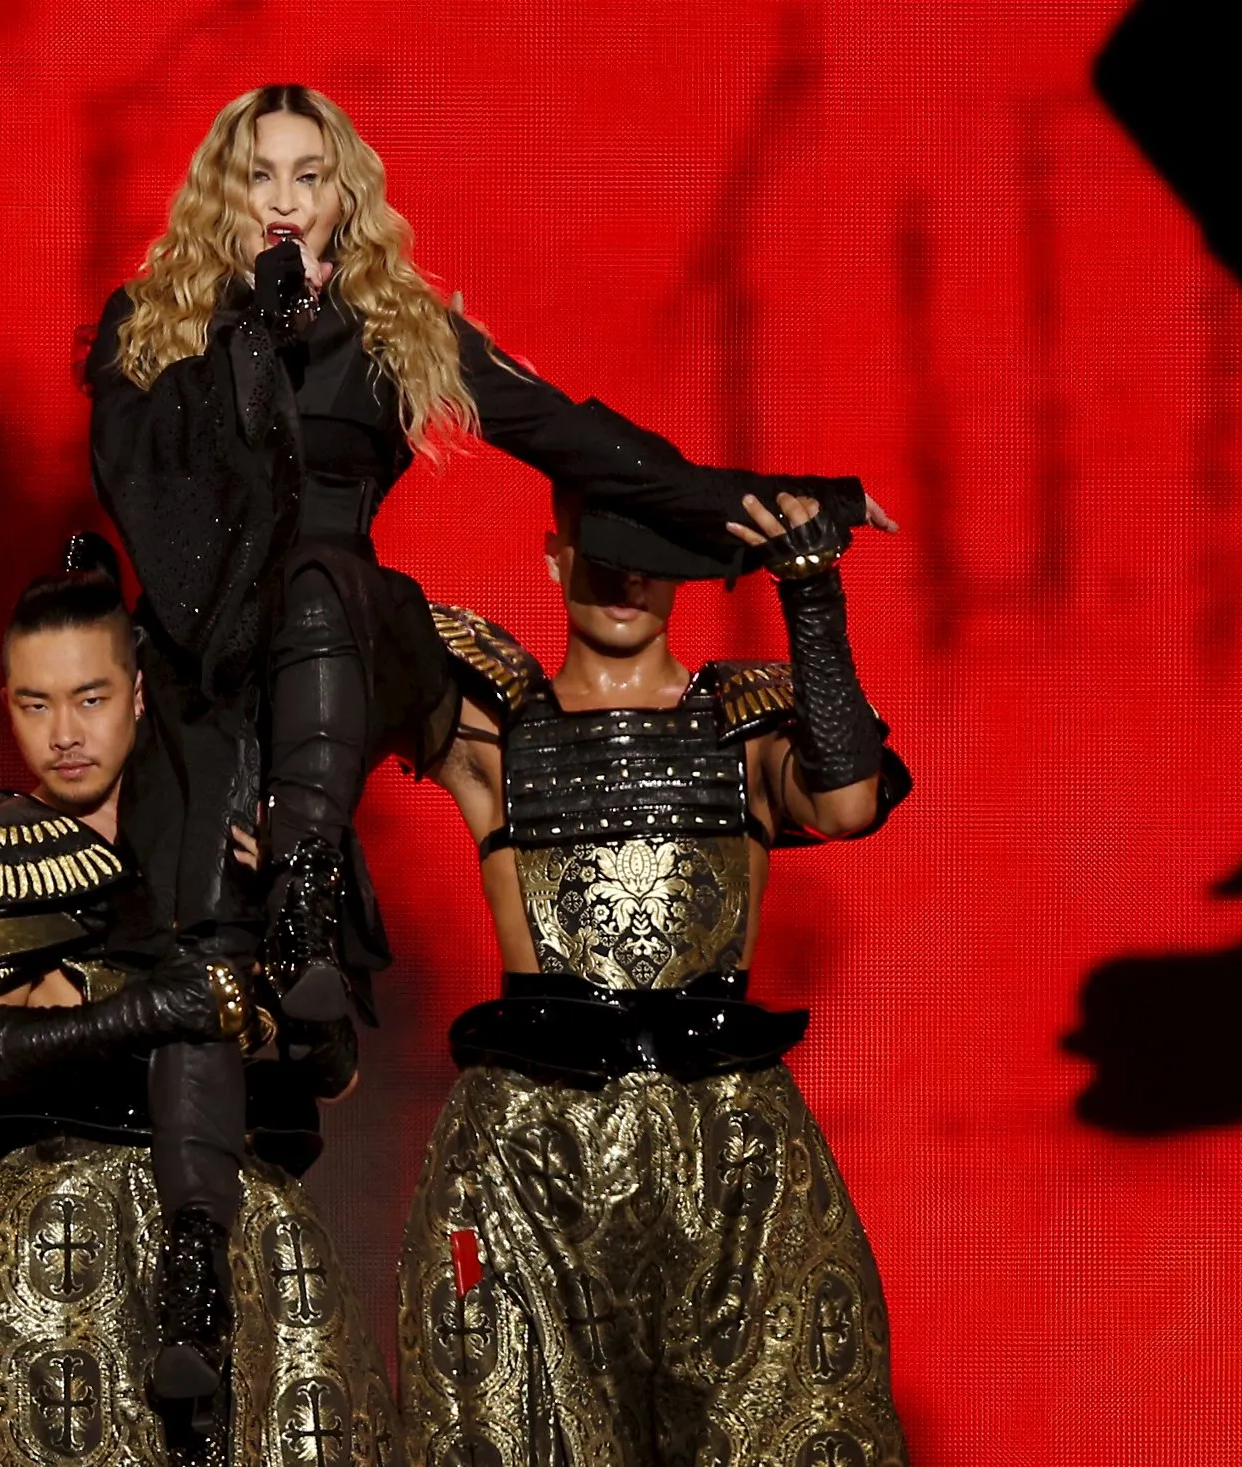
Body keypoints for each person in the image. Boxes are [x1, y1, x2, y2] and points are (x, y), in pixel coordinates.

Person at [84, 80, 894, 1396]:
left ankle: (308, 888)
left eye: (308, 175)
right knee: (199, 945)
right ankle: (194, 1260)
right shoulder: (149, 325)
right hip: (209, 661)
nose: (283, 201)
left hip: (351, 645)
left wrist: (771, 502)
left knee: (328, 580)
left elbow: (587, 443)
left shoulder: (396, 327)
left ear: (345, 197)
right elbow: (155, 531)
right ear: (218, 197)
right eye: (257, 177)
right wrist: (247, 348)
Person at [396, 486, 912, 1466]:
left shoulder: (748, 721)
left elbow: (848, 805)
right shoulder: (490, 726)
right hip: (531, 1147)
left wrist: (811, 592)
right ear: (554, 555)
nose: (627, 580)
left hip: (731, 1149)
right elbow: (330, 655)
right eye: (602, 551)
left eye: (652, 555)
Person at [0, 539, 390, 1467]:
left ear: (138, 694)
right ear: (6, 704)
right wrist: (160, 1007)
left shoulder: (239, 839)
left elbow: (337, 1074)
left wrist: (281, 943)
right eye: (37, 704)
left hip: (240, 1242)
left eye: (90, 698)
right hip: (57, 1239)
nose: (65, 733)